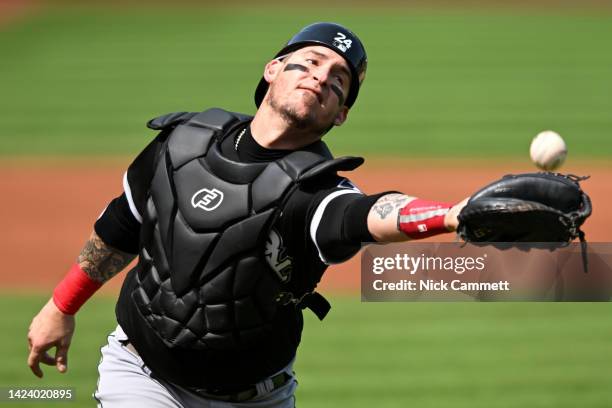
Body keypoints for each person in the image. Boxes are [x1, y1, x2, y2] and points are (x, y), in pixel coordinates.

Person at [27, 22, 467, 407]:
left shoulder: (315, 188)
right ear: (272, 68)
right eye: (310, 62)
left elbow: (366, 215)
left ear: (341, 114)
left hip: (257, 398)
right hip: (141, 375)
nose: (320, 78)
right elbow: (123, 226)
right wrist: (60, 306)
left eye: (338, 82)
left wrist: (449, 216)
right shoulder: (181, 143)